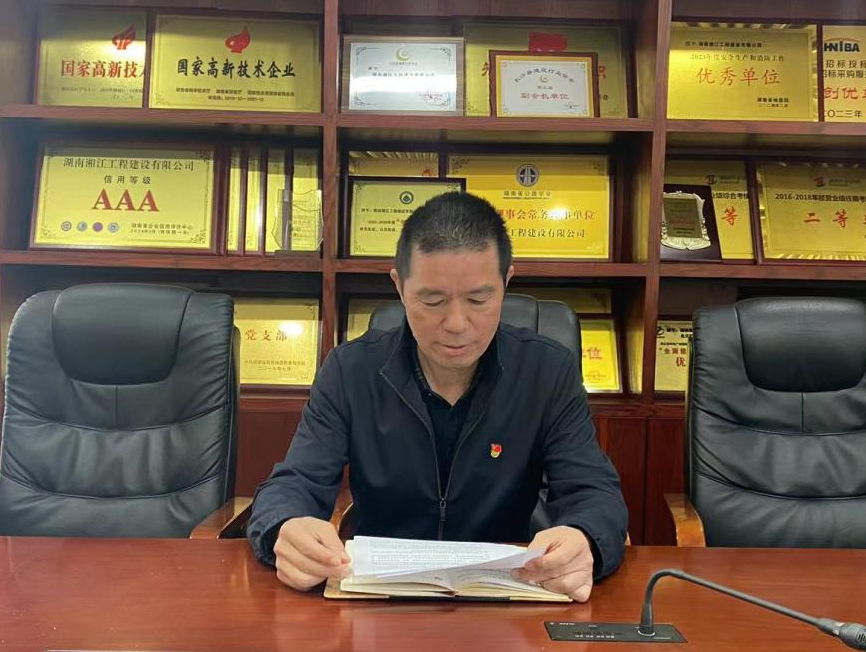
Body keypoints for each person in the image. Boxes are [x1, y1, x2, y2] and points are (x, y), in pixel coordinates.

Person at [247, 192, 628, 601]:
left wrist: (584, 539)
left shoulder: (547, 372)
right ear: (399, 286)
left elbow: (595, 493)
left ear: (506, 283)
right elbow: (294, 482)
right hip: (379, 600)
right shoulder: (350, 371)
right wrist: (286, 526)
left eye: (479, 300)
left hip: (506, 599)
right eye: (433, 300)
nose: (457, 324)